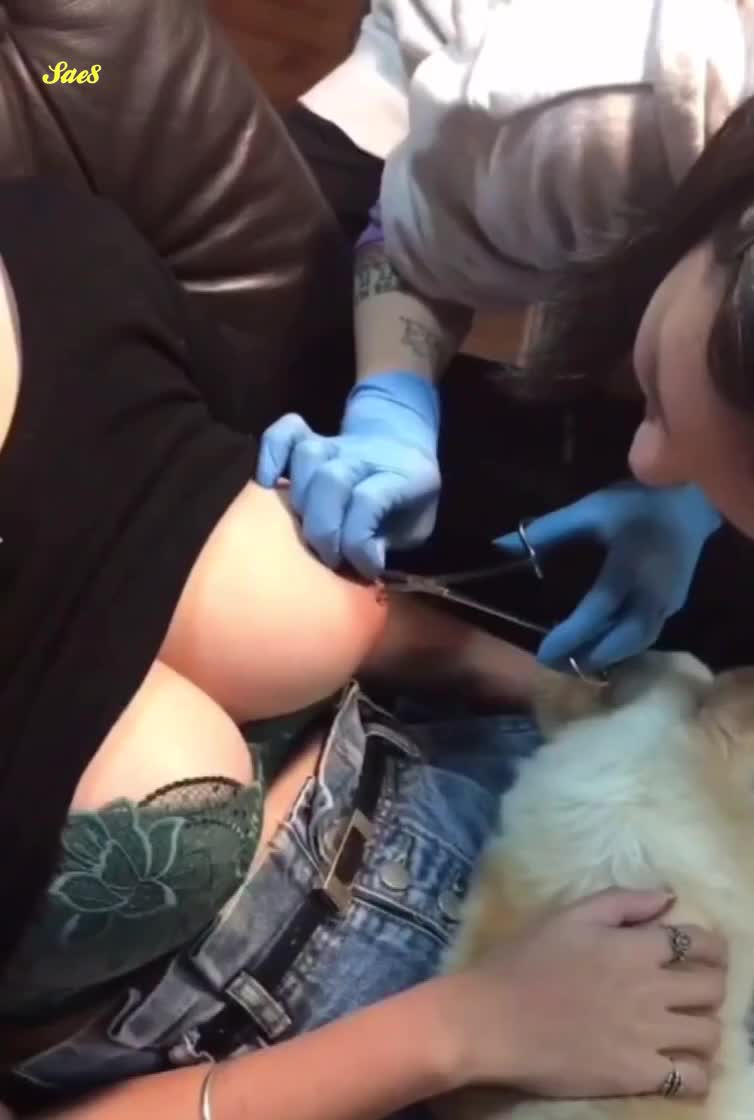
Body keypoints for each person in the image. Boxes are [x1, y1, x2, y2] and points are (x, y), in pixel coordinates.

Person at [0, 177, 726, 1120]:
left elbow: (287, 579)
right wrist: (466, 1027)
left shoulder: (61, 247)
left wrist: (580, 702)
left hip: (502, 803)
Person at [266, 0, 754, 672]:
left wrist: (696, 500)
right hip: (453, 111)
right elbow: (408, 253)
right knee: (269, 376)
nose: (647, 467)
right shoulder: (588, 117)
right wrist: (392, 402)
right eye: (664, 410)